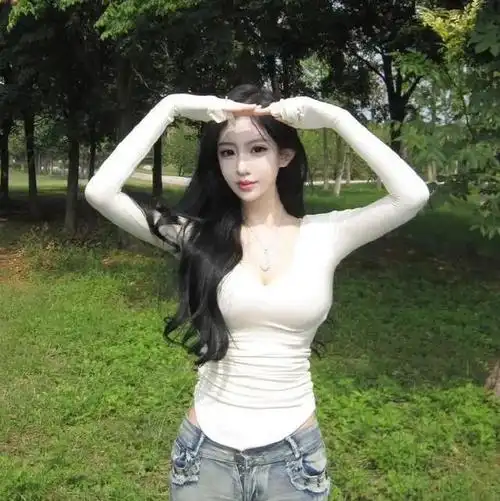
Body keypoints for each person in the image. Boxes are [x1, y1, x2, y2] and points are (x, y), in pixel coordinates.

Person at [85, 84, 430, 500]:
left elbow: (412, 195)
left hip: (294, 460)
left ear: (284, 156)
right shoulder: (198, 237)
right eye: (227, 152)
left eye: (258, 149)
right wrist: (170, 106)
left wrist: (336, 118)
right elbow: (100, 192)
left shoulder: (327, 234)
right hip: (204, 457)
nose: (241, 166)